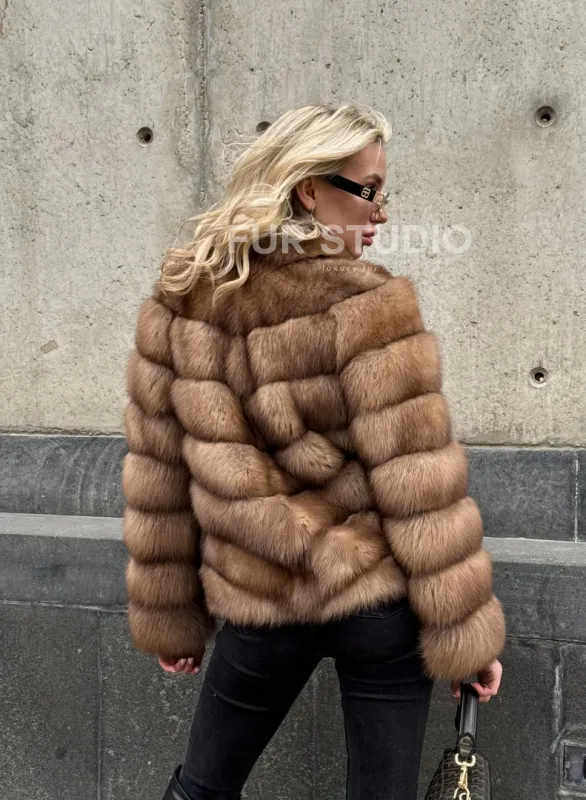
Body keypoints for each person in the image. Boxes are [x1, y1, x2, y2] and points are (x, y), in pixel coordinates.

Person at [122, 103, 505, 800]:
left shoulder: (183, 304)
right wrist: (467, 637)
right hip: (376, 605)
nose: (381, 213)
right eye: (369, 190)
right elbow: (419, 485)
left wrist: (171, 617)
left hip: (259, 599)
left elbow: (160, 477)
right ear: (308, 189)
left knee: (200, 791)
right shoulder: (370, 305)